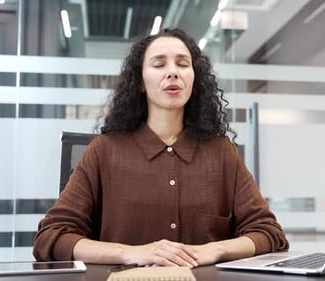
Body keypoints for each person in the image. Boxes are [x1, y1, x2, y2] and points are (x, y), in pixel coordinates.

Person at [33, 28, 288, 267]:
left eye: (183, 64)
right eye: (158, 64)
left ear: (194, 80)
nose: (173, 72)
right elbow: (52, 236)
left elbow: (268, 233)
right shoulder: (104, 151)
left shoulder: (222, 153)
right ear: (140, 83)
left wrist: (215, 249)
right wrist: (130, 252)